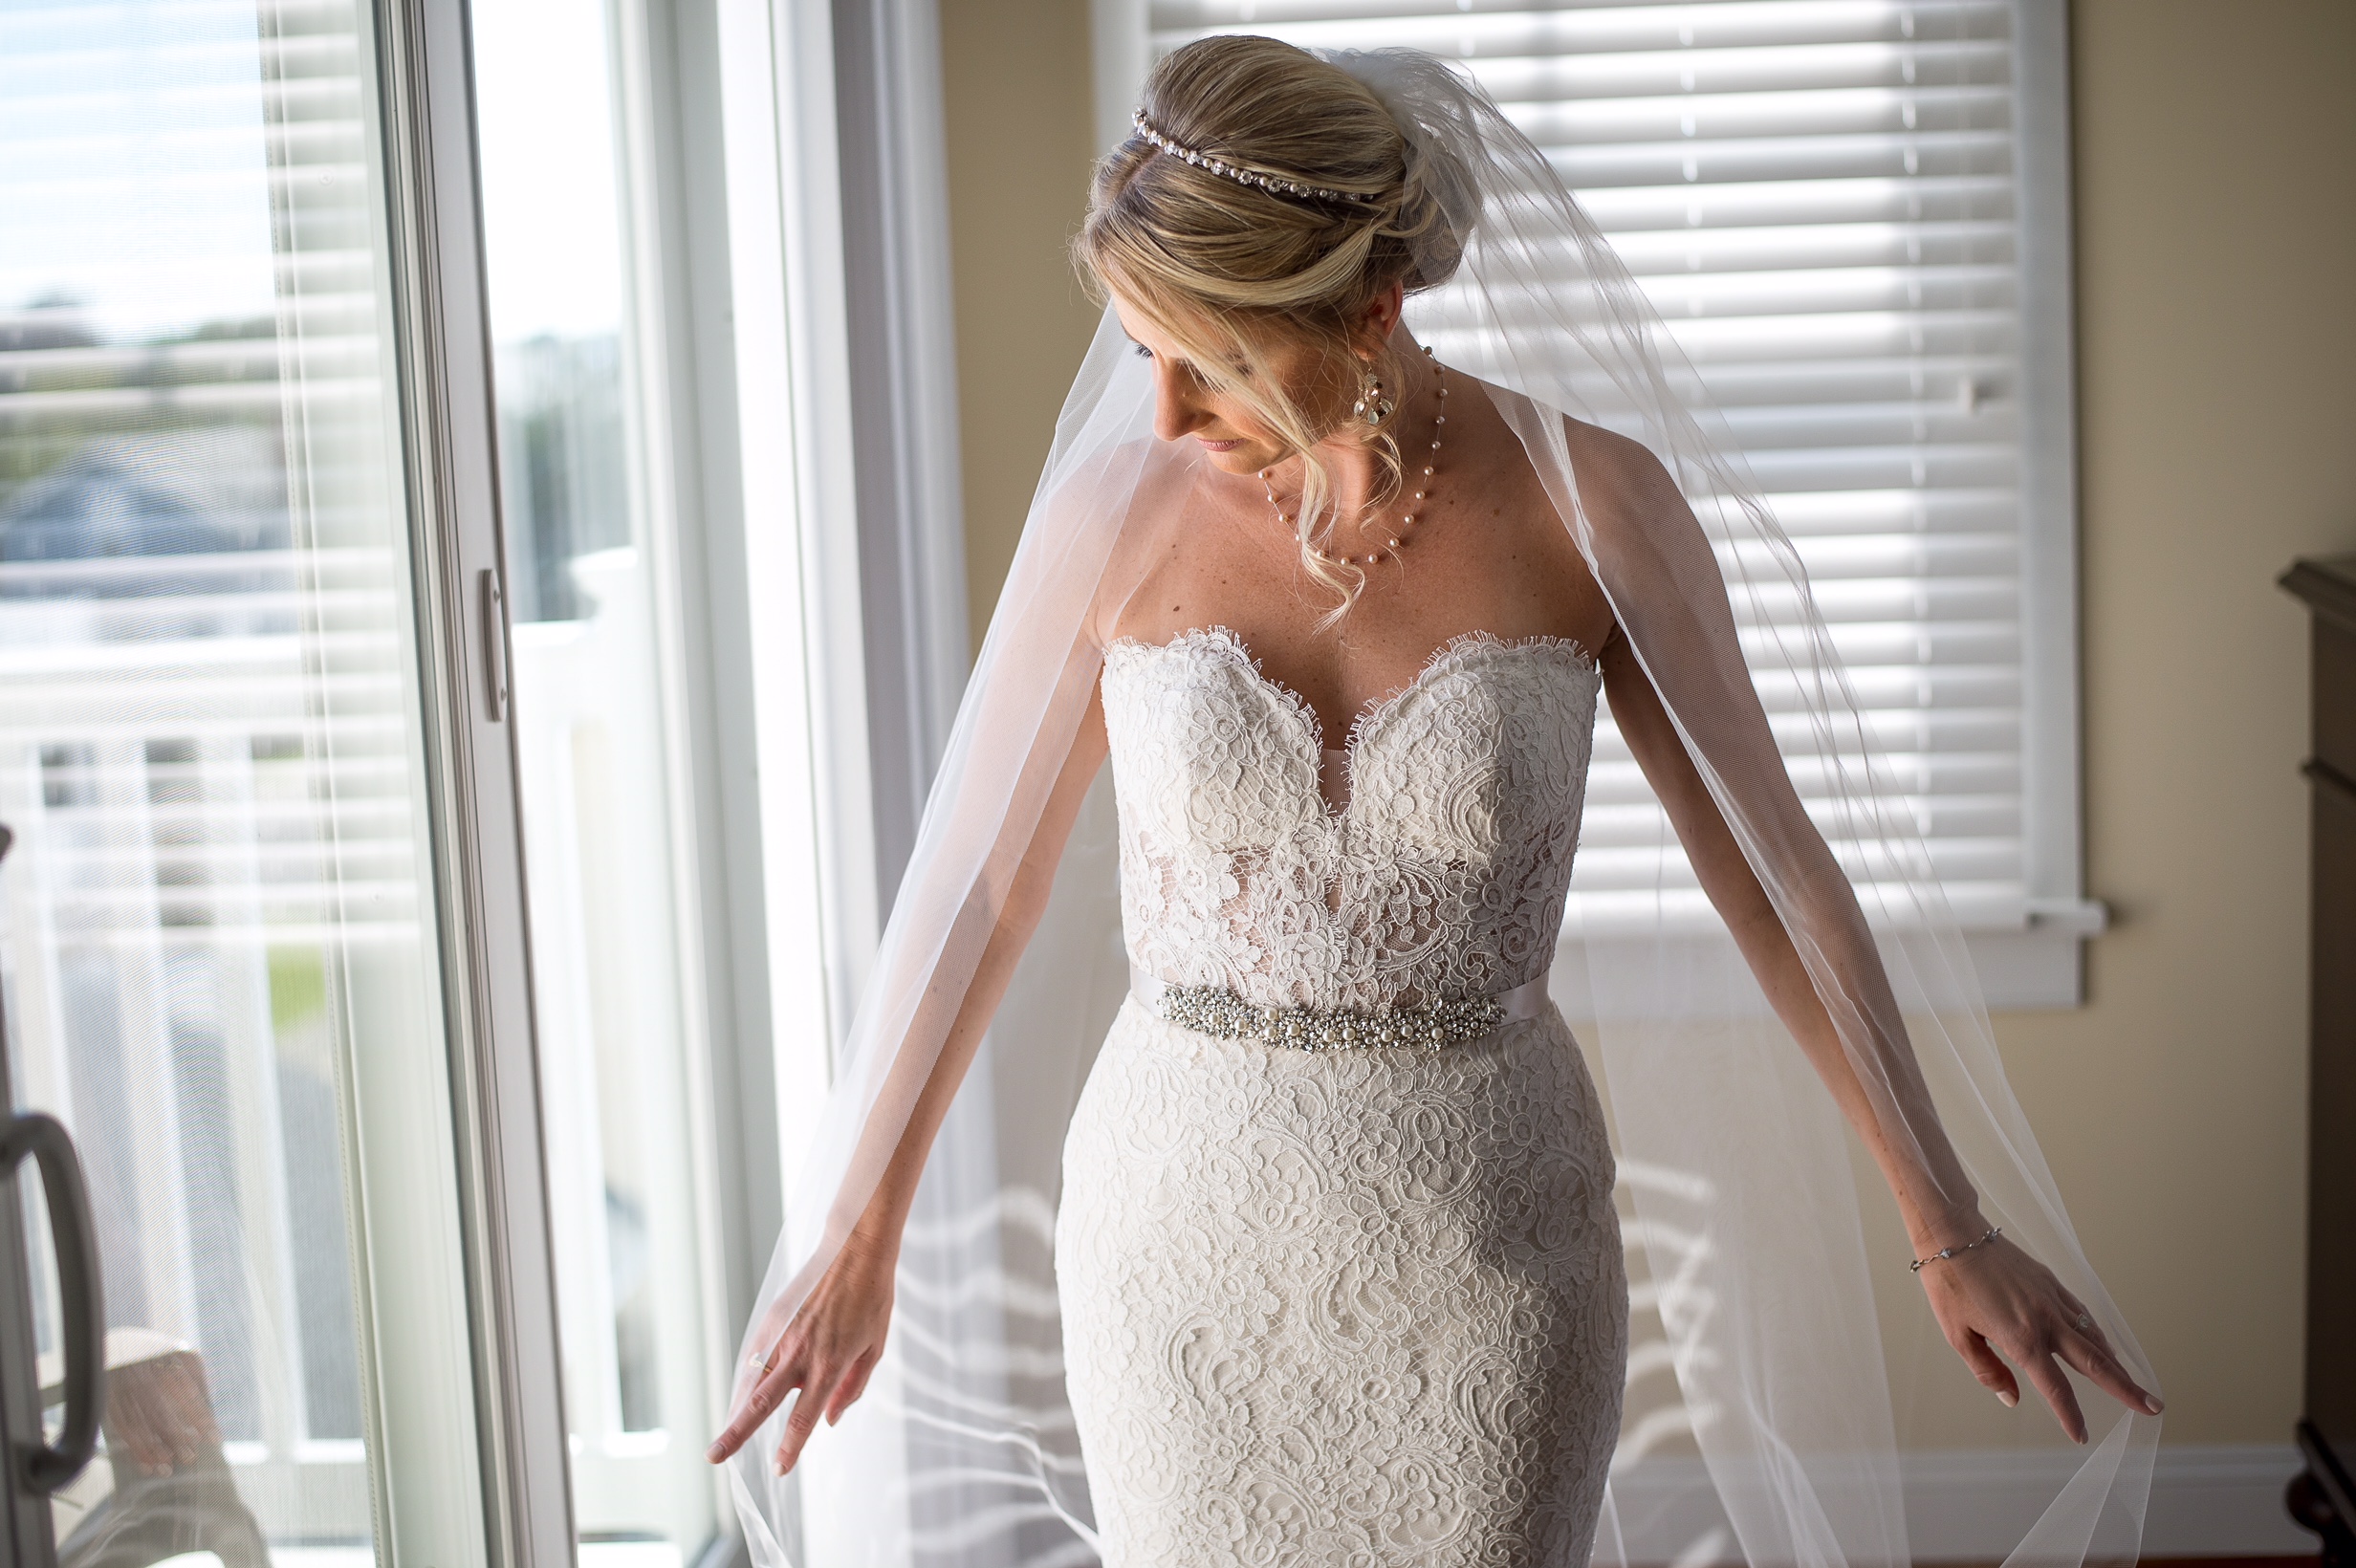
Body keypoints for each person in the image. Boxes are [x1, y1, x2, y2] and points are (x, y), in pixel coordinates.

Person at [708, 35, 2162, 1567]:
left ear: (1371, 307)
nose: (1162, 415)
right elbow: (978, 888)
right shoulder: (1115, 517)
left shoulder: (1591, 506)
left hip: (1493, 1259)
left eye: (1212, 361)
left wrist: (1946, 1220)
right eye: (1144, 351)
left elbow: (1772, 880)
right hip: (1173, 1263)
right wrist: (859, 1230)